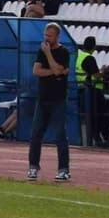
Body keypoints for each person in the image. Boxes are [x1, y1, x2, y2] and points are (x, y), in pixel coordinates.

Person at [28, 22, 71, 183]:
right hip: (43, 98)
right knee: (36, 134)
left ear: (57, 37)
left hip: (58, 99)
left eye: (50, 36)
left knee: (60, 135)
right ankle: (33, 166)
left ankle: (63, 169)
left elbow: (59, 70)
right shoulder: (41, 50)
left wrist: (48, 55)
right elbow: (36, 71)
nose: (46, 38)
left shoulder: (63, 52)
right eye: (45, 35)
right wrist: (53, 71)